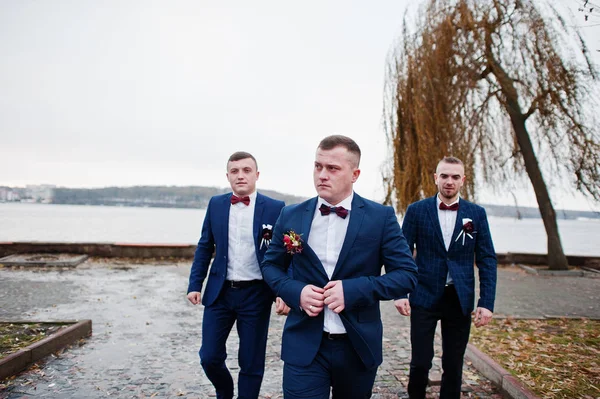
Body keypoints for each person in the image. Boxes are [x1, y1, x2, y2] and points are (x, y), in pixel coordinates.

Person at [261, 135, 418, 399]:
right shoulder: (292, 215)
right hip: (304, 345)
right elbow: (271, 266)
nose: (322, 174)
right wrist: (294, 291)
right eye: (318, 166)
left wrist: (354, 290)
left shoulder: (381, 218)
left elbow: (406, 276)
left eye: (332, 168)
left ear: (355, 174)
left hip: (357, 346)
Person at [395, 156, 497, 399]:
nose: (449, 181)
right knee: (420, 360)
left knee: (453, 362)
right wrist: (400, 292)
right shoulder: (417, 211)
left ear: (463, 180)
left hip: (459, 298)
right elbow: (401, 254)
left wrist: (486, 303)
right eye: (444, 176)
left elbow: (487, 259)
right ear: (435, 178)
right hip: (424, 295)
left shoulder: (476, 214)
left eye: (454, 177)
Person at [187, 151, 285, 399]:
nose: (240, 175)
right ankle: (225, 390)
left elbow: (286, 253)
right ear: (228, 176)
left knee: (251, 360)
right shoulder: (216, 204)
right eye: (235, 171)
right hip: (220, 293)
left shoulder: (275, 208)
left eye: (246, 170)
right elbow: (205, 246)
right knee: (209, 357)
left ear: (257, 175)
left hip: (256, 293)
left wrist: (283, 292)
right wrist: (195, 283)